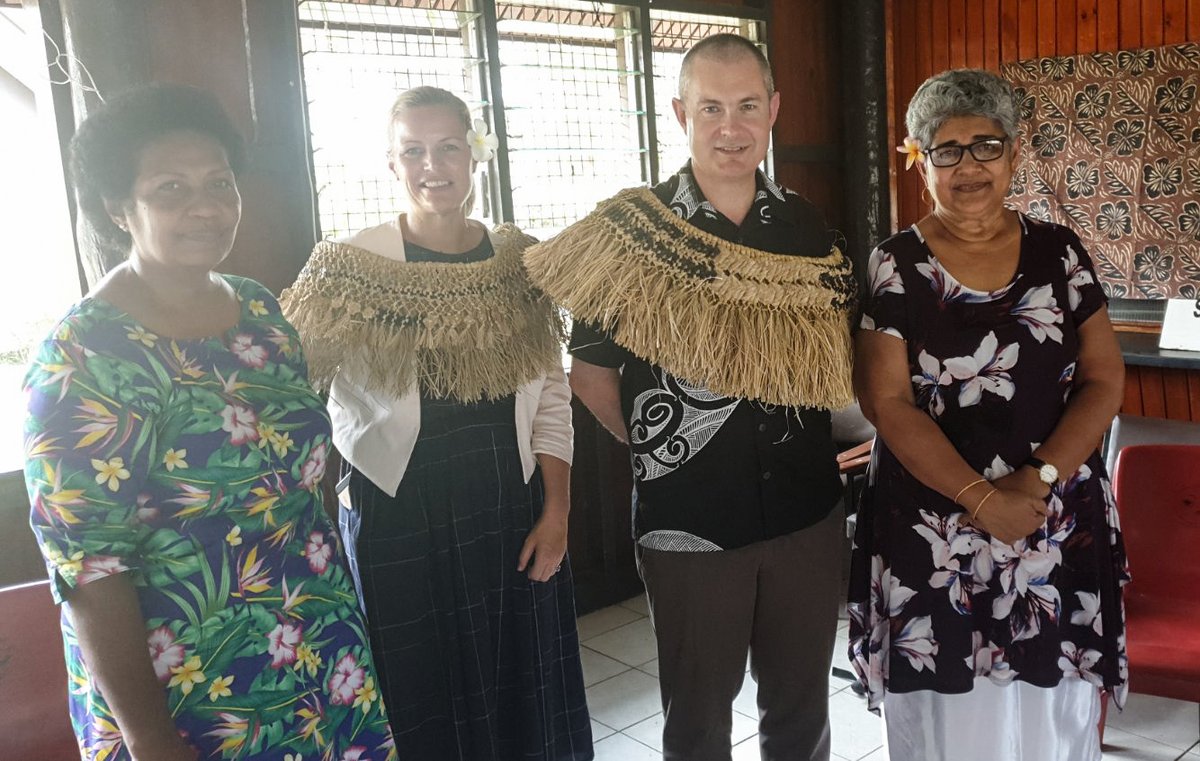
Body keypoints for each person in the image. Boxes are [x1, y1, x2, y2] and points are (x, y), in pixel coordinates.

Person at [22, 83, 394, 761]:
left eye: (220, 182)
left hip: (319, 653)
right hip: (190, 691)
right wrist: (150, 740)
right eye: (170, 188)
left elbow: (300, 476)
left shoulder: (258, 311)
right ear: (118, 208)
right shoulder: (85, 357)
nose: (206, 205)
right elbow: (90, 572)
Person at [524, 34, 857, 761]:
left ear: (773, 109)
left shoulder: (812, 231)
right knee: (699, 721)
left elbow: (838, 364)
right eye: (711, 108)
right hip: (687, 525)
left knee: (801, 714)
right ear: (681, 113)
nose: (730, 127)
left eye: (746, 106)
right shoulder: (632, 233)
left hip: (807, 512)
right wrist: (666, 452)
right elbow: (588, 373)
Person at [280, 86, 592, 761]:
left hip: (507, 506)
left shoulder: (518, 265)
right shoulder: (347, 268)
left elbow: (551, 399)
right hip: (395, 511)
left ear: (476, 154)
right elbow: (294, 395)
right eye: (413, 151)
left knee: (521, 693)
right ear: (391, 165)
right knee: (416, 699)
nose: (433, 164)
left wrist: (557, 512)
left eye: (449, 146)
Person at [847, 68, 1129, 761]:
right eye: (946, 149)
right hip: (931, 530)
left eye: (986, 145)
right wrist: (979, 498)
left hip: (1050, 521)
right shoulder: (894, 265)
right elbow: (885, 401)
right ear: (920, 161)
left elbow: (1103, 378)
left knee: (1051, 715)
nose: (968, 165)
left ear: (1014, 151)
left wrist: (1033, 482)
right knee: (948, 723)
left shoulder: (1059, 253)